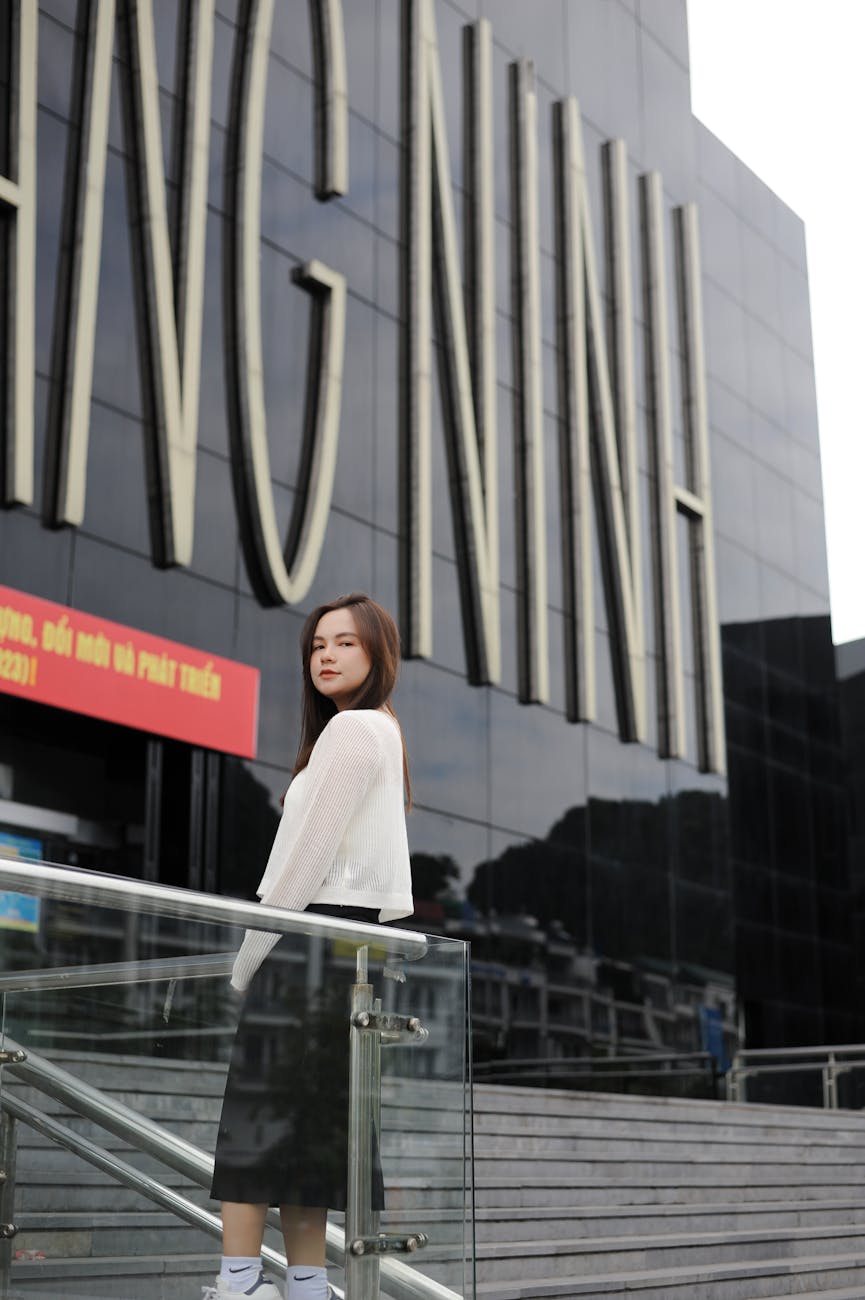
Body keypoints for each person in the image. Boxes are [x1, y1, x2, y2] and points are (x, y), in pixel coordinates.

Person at [204, 593, 414, 1300]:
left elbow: (305, 858)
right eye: (317, 644)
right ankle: (303, 1281)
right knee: (313, 1128)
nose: (325, 654)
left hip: (306, 940)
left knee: (260, 1115)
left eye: (344, 643)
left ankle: (237, 1282)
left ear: (378, 653)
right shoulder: (382, 730)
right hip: (347, 952)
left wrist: (249, 956)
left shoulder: (354, 730)